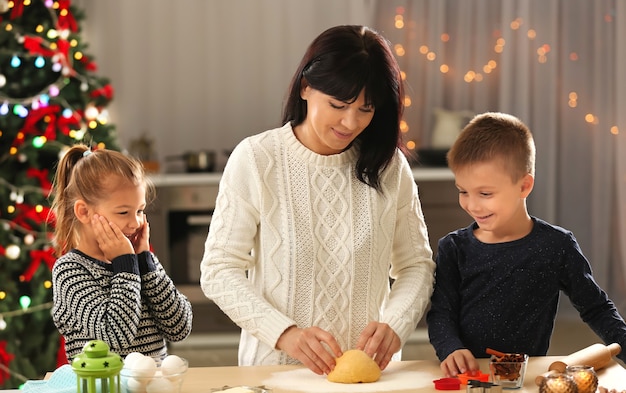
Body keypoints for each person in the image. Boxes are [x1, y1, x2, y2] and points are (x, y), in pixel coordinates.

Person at [199, 25, 435, 375]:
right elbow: (219, 270)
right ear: (306, 87)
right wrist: (285, 334)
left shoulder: (389, 167)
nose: (350, 122)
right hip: (275, 372)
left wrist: (396, 325)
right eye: (338, 104)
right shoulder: (257, 158)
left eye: (366, 109)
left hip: (368, 376)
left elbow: (416, 265)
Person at [426, 112, 626, 377]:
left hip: (525, 379)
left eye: (485, 193)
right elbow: (441, 314)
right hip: (467, 378)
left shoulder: (556, 246)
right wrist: (450, 348)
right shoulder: (453, 248)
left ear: (524, 186)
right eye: (463, 191)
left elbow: (597, 308)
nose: (472, 205)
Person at [50, 145, 193, 362]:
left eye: (140, 210)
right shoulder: (70, 270)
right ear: (84, 212)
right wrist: (125, 265)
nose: (135, 222)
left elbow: (179, 328)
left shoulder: (142, 262)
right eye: (123, 212)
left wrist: (144, 263)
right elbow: (115, 337)